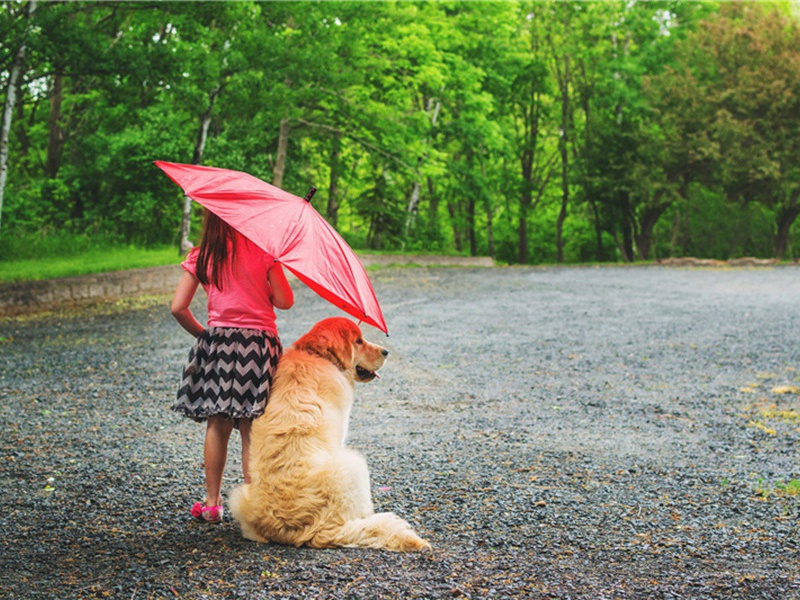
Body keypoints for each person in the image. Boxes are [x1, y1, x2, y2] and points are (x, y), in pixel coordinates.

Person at [170, 210, 294, 523]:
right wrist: (271, 271)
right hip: (258, 346)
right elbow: (285, 300)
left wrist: (205, 335)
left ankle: (212, 504)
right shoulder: (264, 253)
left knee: (218, 423)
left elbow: (178, 307)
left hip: (219, 344)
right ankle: (253, 506)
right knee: (251, 425)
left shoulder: (203, 255)